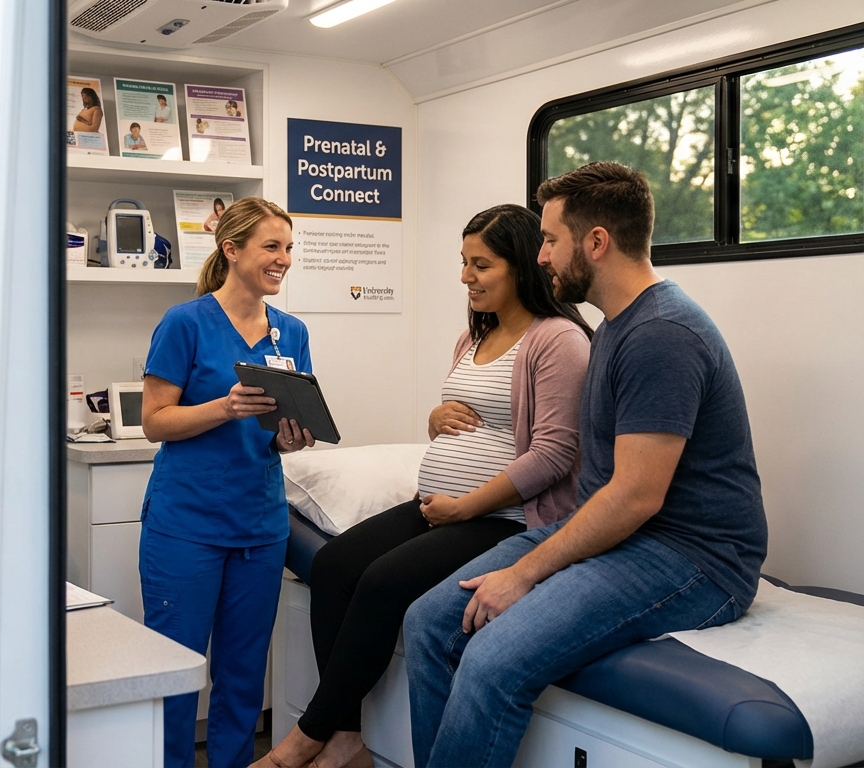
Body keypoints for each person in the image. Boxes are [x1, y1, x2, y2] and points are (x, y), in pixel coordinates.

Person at [405, 162, 767, 767]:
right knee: (427, 623)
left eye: (549, 240)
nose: (541, 257)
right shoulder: (616, 327)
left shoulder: (663, 334)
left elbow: (634, 497)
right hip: (624, 540)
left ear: (596, 241)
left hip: (695, 558)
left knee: (492, 659)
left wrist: (523, 574)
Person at [254, 204, 591, 768]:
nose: (466, 277)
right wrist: (436, 420)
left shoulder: (558, 341)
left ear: (521, 266)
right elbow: (473, 418)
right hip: (443, 506)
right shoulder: (472, 336)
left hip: (504, 518)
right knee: (336, 564)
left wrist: (466, 507)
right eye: (464, 263)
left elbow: (556, 454)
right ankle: (347, 738)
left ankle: (307, 737)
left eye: (481, 265)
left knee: (382, 583)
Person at [141, 197, 314, 768]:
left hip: (259, 525)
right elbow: (154, 422)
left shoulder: (291, 333)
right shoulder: (184, 323)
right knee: (176, 674)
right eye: (271, 246)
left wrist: (292, 435)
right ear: (231, 249)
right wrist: (224, 407)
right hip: (185, 526)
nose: (283, 259)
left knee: (242, 678)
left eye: (288, 248)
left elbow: (283, 428)